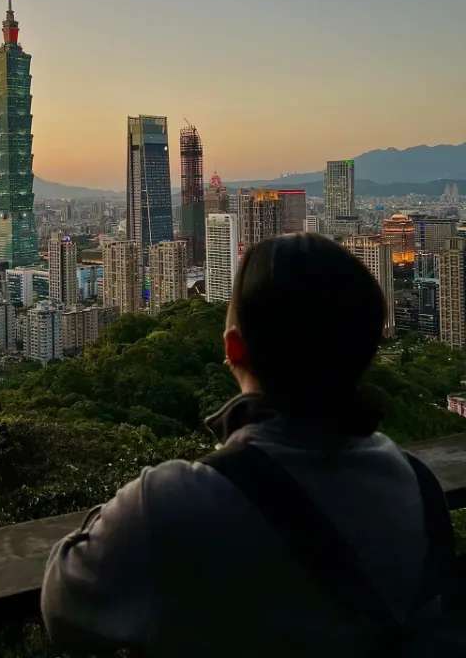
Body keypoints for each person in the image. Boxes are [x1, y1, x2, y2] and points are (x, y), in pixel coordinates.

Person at [40, 233, 454, 657]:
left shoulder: (171, 504)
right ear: (368, 347)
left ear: (233, 347)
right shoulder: (419, 488)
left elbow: (62, 608)